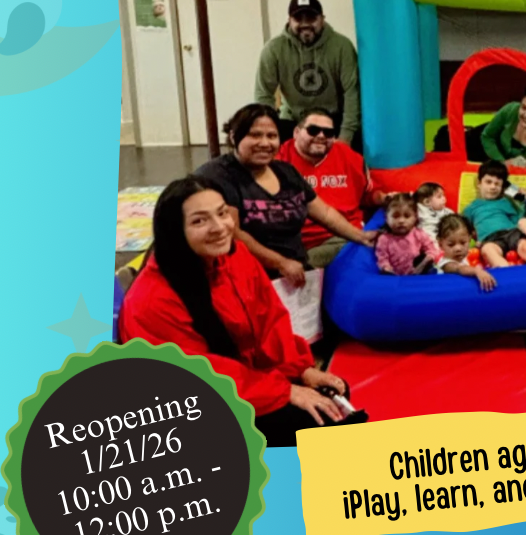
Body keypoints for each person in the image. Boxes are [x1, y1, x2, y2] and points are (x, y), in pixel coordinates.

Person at [118, 176, 366, 444]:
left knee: (334, 395)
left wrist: (301, 370)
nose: (220, 227)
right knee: (318, 422)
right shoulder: (152, 300)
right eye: (199, 221)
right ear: (175, 230)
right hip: (193, 406)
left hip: (245, 379)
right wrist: (283, 392)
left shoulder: (235, 257)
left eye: (222, 213)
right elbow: (197, 376)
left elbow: (271, 320)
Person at [196, 104, 375, 288]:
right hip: (248, 280)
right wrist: (281, 263)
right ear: (234, 136)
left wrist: (362, 237)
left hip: (296, 274)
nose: (265, 143)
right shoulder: (217, 175)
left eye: (271, 136)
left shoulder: (286, 172)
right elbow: (233, 233)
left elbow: (325, 214)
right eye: (255, 135)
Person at [276, 108, 384, 269]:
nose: (321, 136)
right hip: (300, 243)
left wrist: (384, 198)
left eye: (328, 133)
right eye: (313, 130)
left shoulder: (350, 158)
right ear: (296, 133)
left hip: (346, 236)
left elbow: (367, 196)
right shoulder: (278, 162)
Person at [254, 0, 360, 145]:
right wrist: (268, 133)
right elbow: (263, 95)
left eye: (311, 18)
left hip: (334, 120)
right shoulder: (273, 49)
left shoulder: (342, 46)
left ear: (322, 19)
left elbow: (352, 93)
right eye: (298, 19)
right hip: (293, 121)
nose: (305, 24)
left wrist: (345, 139)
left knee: (360, 137)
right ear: (289, 20)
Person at [463, 160, 526, 267]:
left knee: (524, 246)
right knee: (488, 250)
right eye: (488, 182)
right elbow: (464, 229)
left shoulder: (505, 202)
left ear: (502, 187)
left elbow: (518, 219)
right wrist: (475, 242)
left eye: (497, 184)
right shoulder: (471, 208)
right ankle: (505, 269)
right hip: (489, 238)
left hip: (510, 232)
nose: (493, 187)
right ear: (479, 183)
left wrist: (524, 200)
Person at [375, 193, 441, 276]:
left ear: (415, 218)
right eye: (395, 216)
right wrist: (386, 268)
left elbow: (432, 248)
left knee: (432, 270)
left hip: (418, 273)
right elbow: (382, 258)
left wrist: (429, 257)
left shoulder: (418, 234)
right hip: (396, 278)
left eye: (407, 216)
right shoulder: (384, 239)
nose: (401, 221)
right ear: (387, 218)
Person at [436, 214, 498, 290]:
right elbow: (460, 268)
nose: (458, 248)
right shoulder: (446, 264)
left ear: (469, 239)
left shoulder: (466, 255)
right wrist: (477, 271)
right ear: (440, 244)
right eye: (451, 245)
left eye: (463, 243)